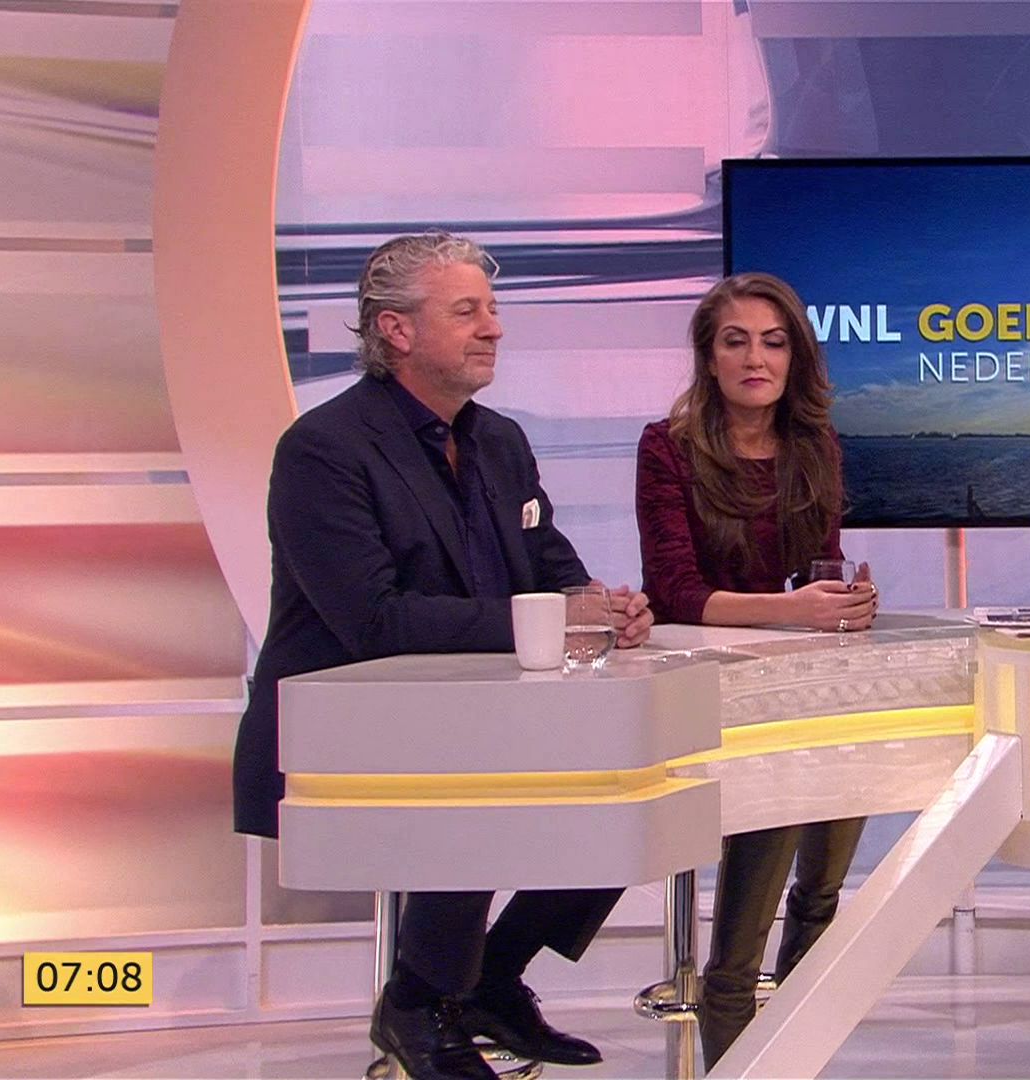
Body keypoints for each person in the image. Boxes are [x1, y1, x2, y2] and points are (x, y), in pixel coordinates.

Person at [231, 233, 655, 1080]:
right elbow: (373, 620)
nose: (493, 328)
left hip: (484, 718)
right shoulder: (324, 449)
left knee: (638, 784)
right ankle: (419, 1003)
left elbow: (550, 565)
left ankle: (493, 979)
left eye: (491, 310)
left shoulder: (500, 441)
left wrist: (603, 606)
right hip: (352, 727)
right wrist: (551, 617)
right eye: (467, 312)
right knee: (471, 791)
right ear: (395, 330)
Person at [634, 272, 876, 1068]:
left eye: (773, 342)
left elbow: (818, 566)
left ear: (795, 356)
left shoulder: (815, 447)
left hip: (803, 683)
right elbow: (675, 593)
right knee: (743, 934)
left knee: (824, 885)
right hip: (714, 691)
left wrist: (844, 598)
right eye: (735, 341)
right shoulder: (667, 448)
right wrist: (794, 609)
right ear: (709, 356)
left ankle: (796, 1048)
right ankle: (734, 1036)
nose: (755, 359)